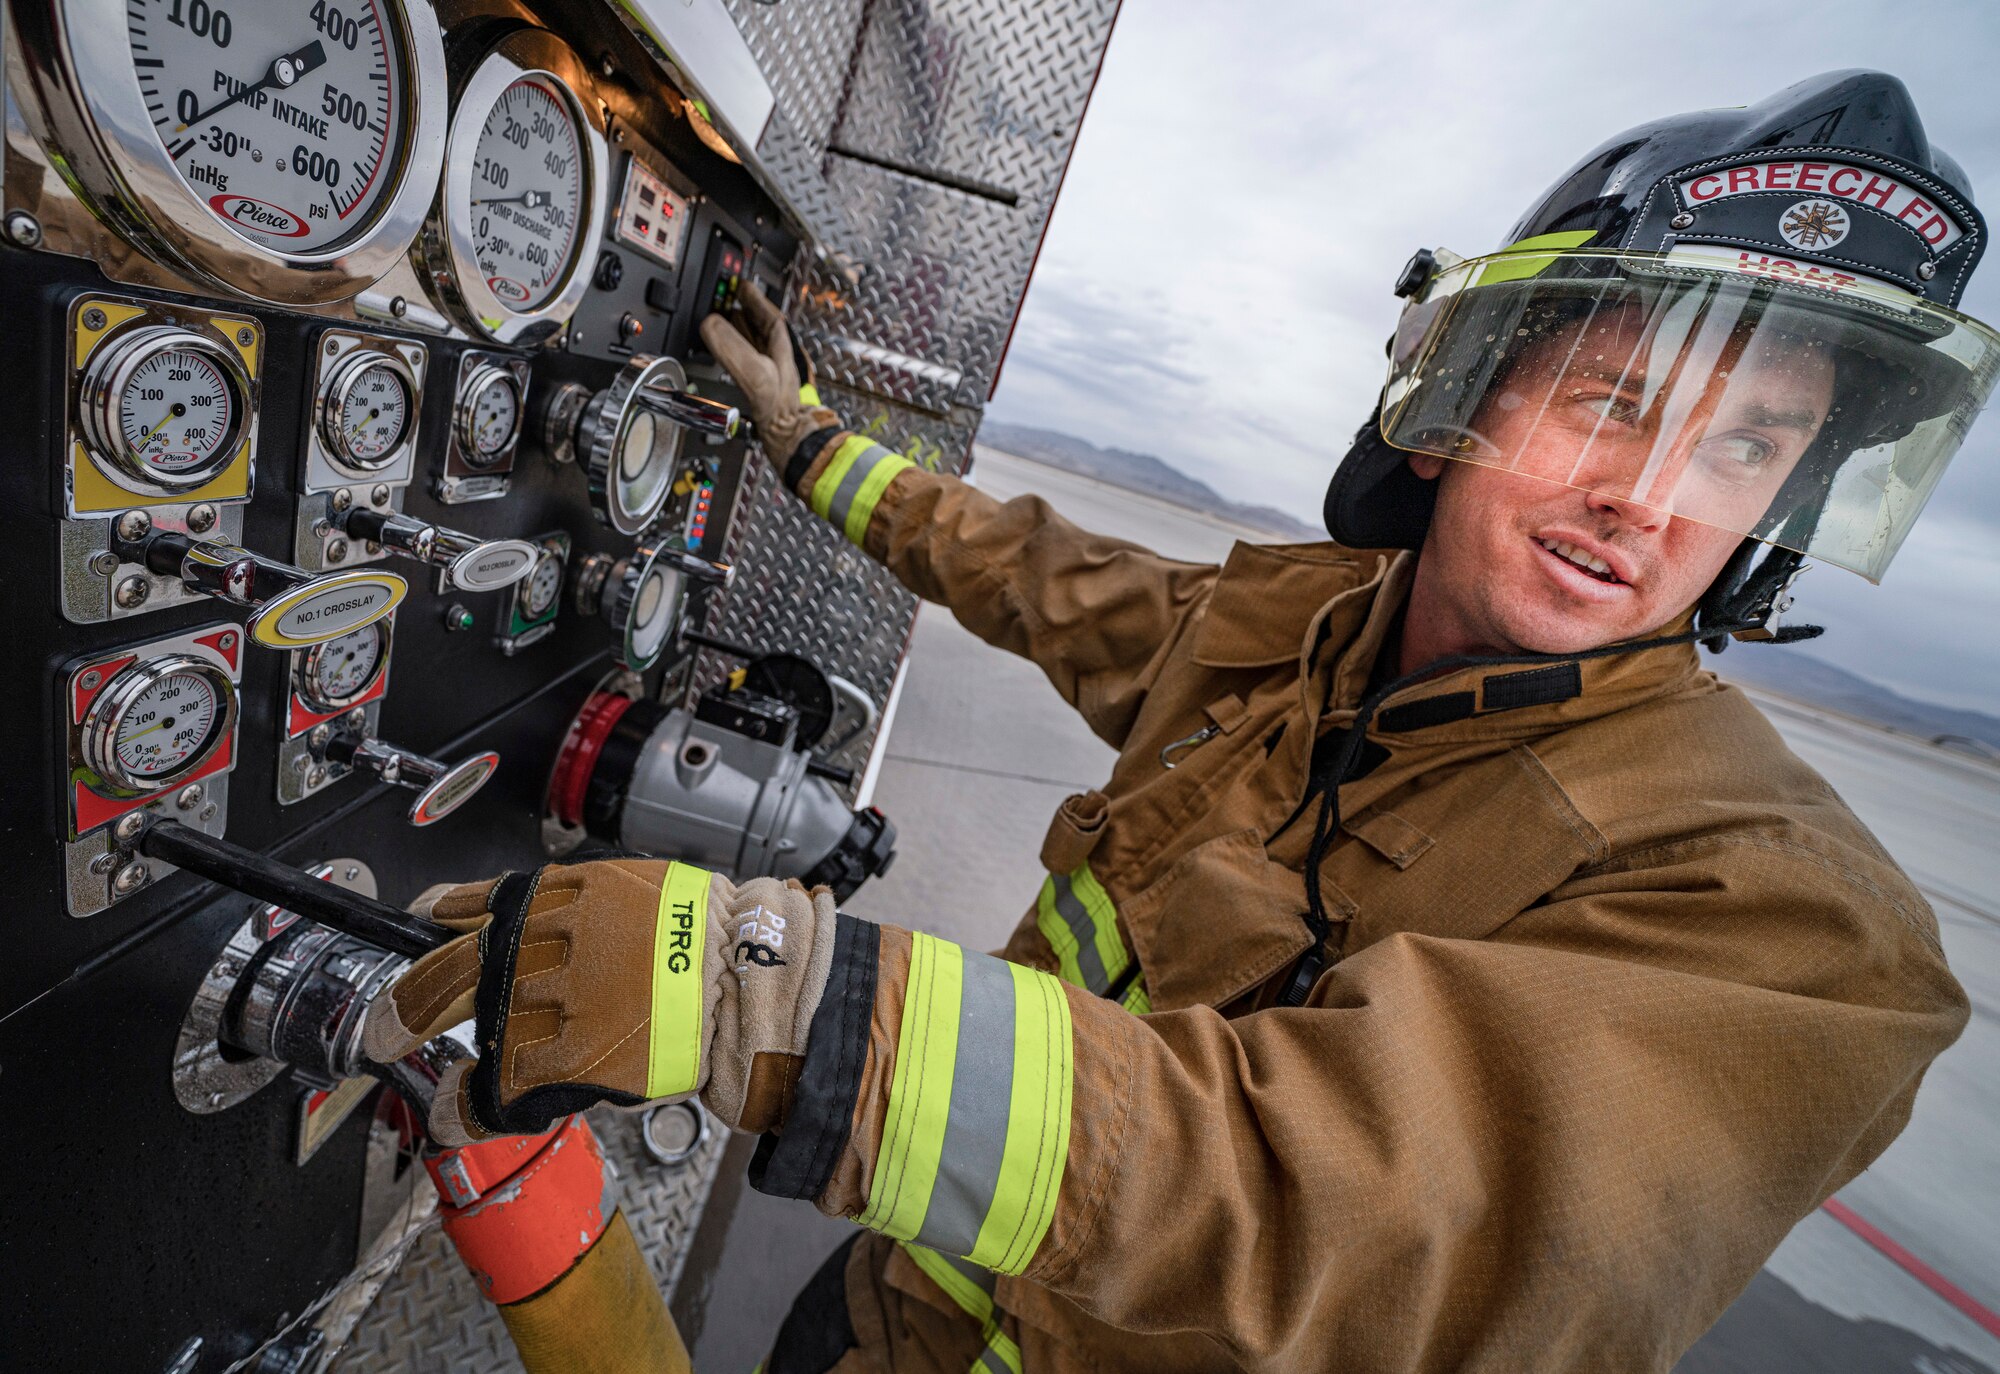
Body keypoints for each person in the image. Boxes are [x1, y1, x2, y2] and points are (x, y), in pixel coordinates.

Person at [364, 70, 1995, 1371]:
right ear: (1457, 400)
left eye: (1743, 449)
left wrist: (776, 1001)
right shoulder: (1294, 634)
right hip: (900, 1317)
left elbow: (1378, 1216)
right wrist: (797, 435)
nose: (1645, 500)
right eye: (1611, 402)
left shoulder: (1795, 927)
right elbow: (1018, 567)